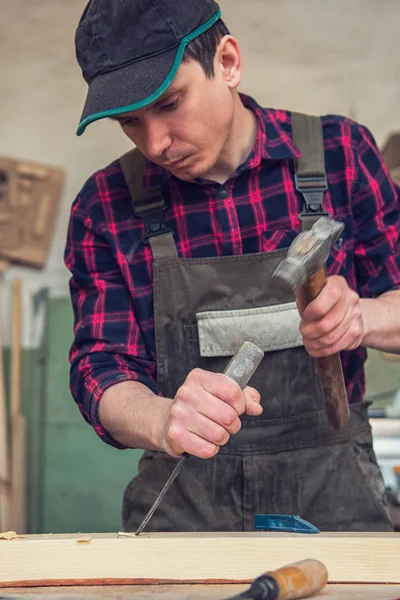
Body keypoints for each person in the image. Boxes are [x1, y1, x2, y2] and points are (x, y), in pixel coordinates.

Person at [65, 0, 400, 533]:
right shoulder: (105, 205)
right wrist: (161, 418)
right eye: (130, 122)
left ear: (227, 62)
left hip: (335, 494)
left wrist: (362, 318)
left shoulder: (342, 154)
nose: (154, 143)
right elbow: (99, 369)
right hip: (187, 503)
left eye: (170, 103)